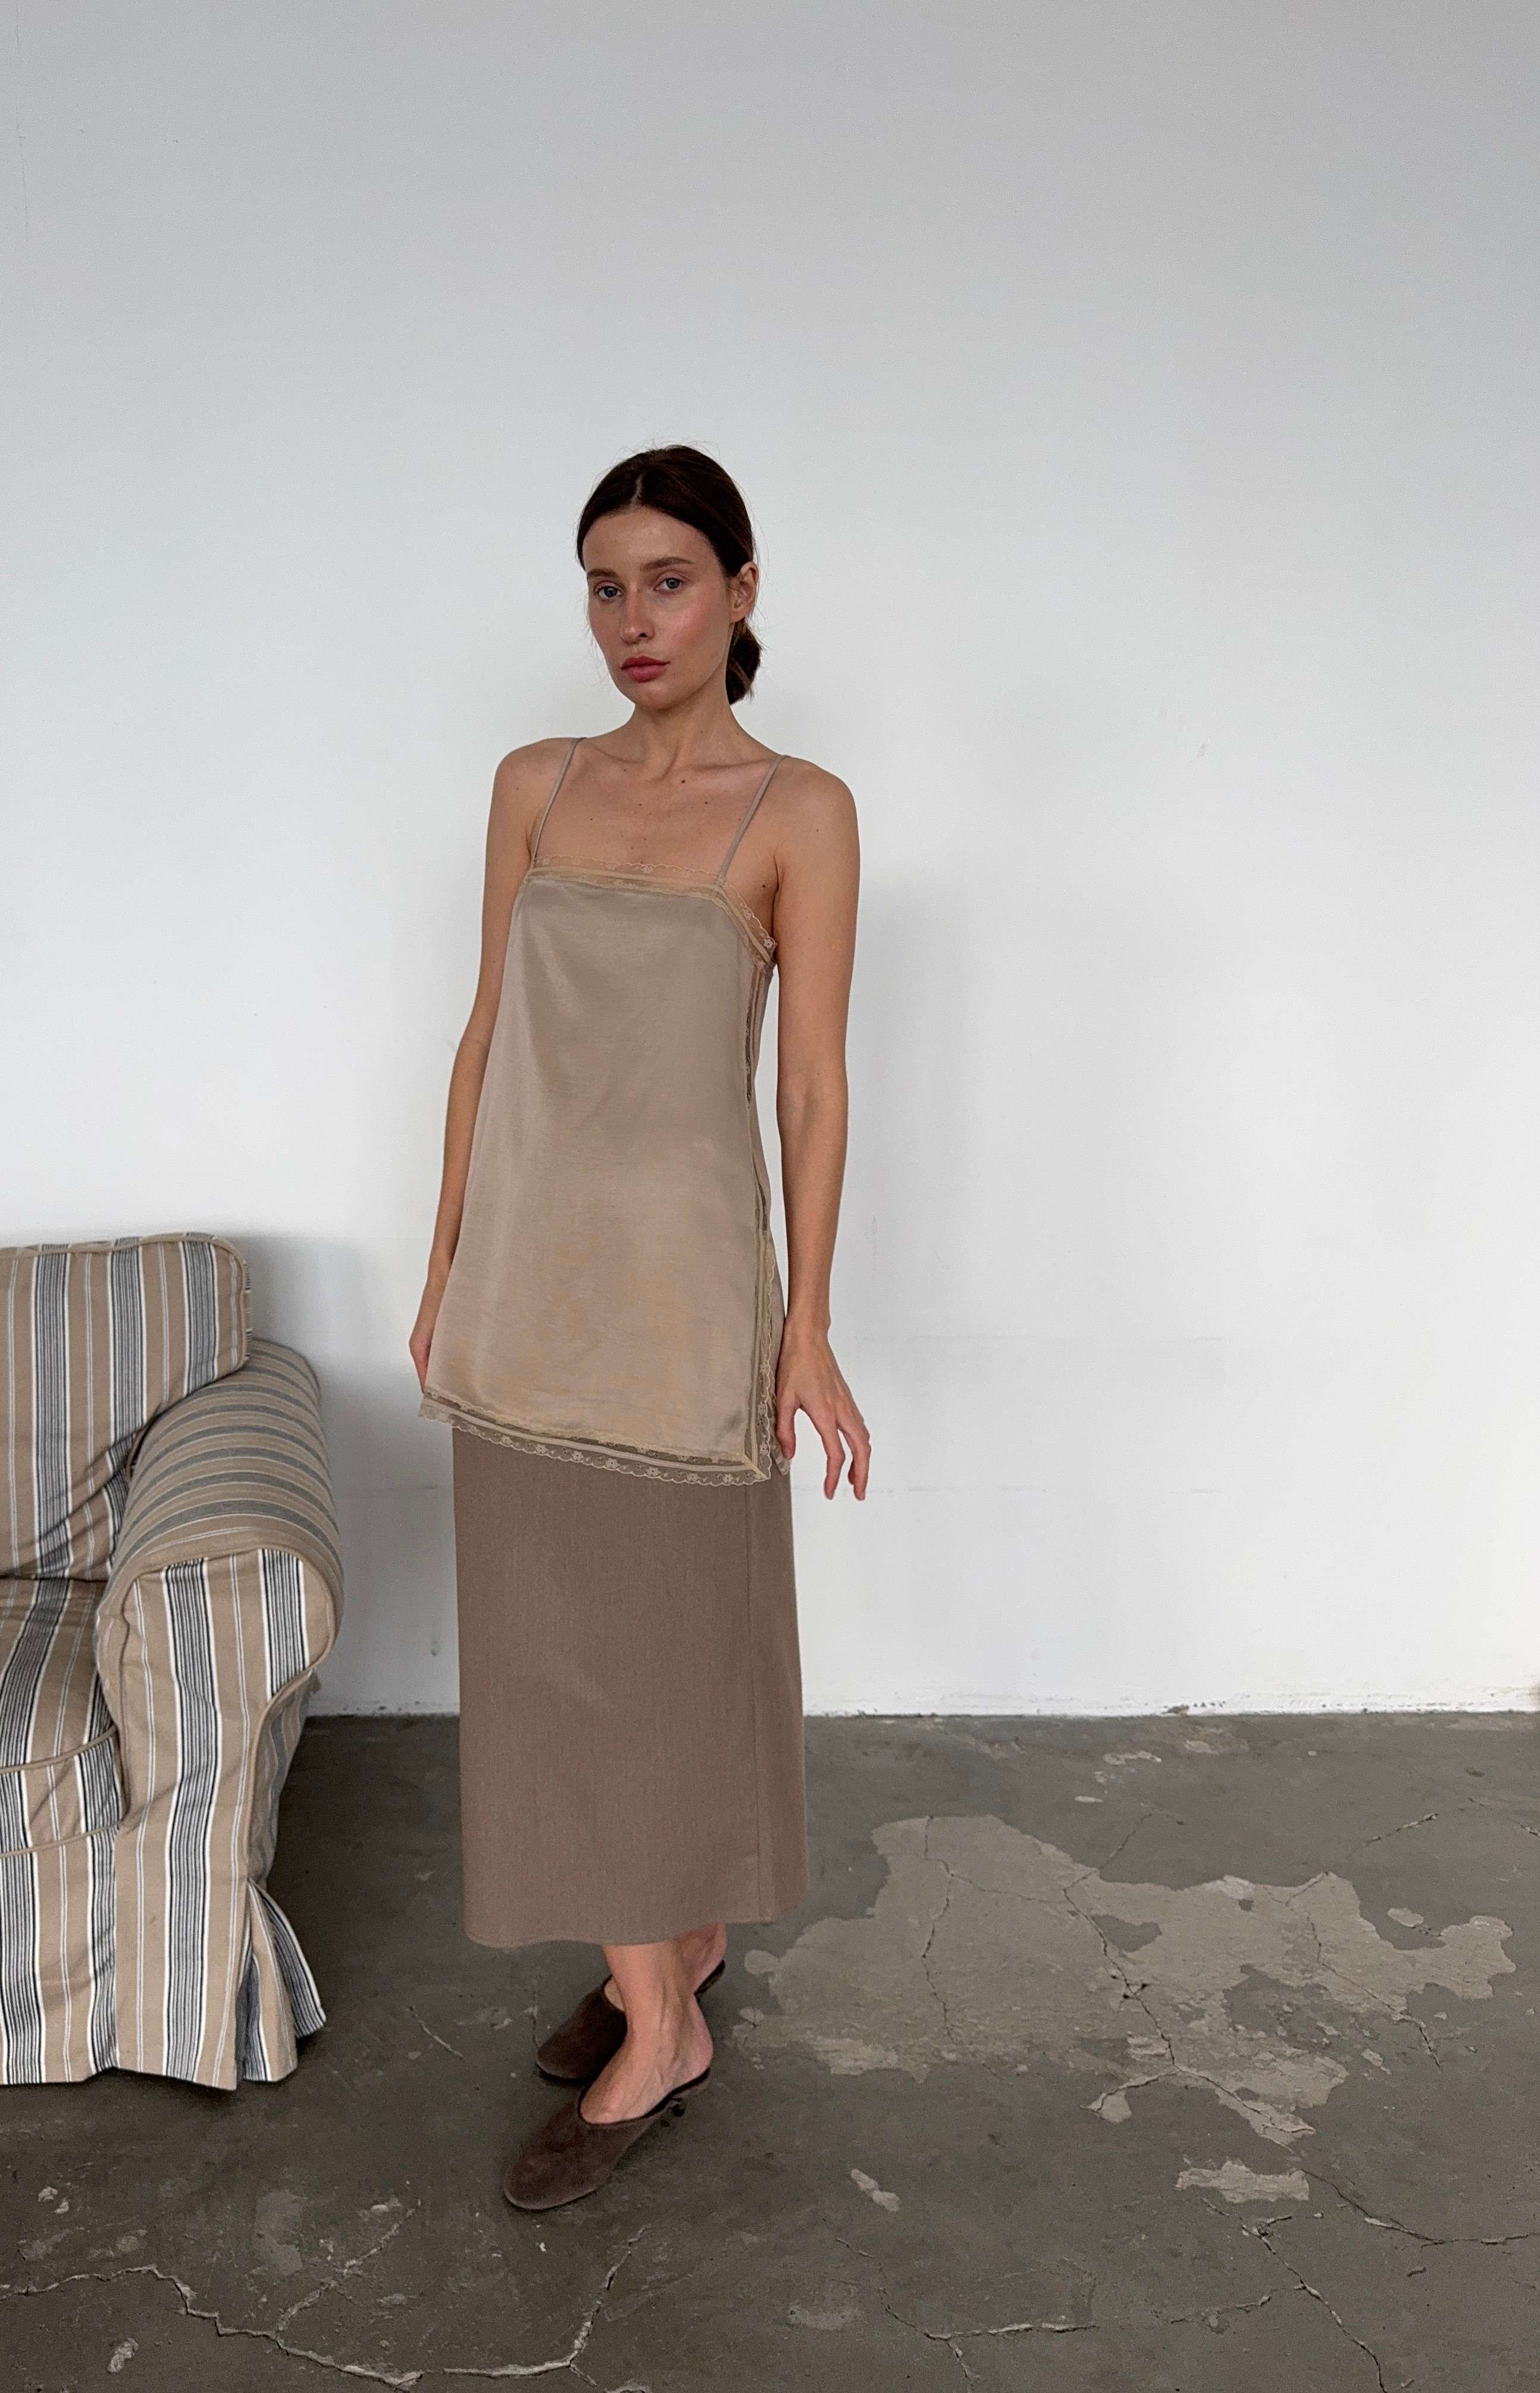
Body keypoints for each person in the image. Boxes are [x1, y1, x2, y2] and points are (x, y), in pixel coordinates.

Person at [411, 443, 869, 2208]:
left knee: (674, 1644)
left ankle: (664, 2015)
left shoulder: (799, 812)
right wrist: (447, 1262)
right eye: (605, 586)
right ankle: (660, 1965)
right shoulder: (534, 786)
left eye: (670, 580)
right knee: (550, 1651)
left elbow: (811, 1090)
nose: (633, 618)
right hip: (529, 1278)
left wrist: (807, 1324)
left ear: (741, 592)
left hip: (684, 1293)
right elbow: (484, 1034)